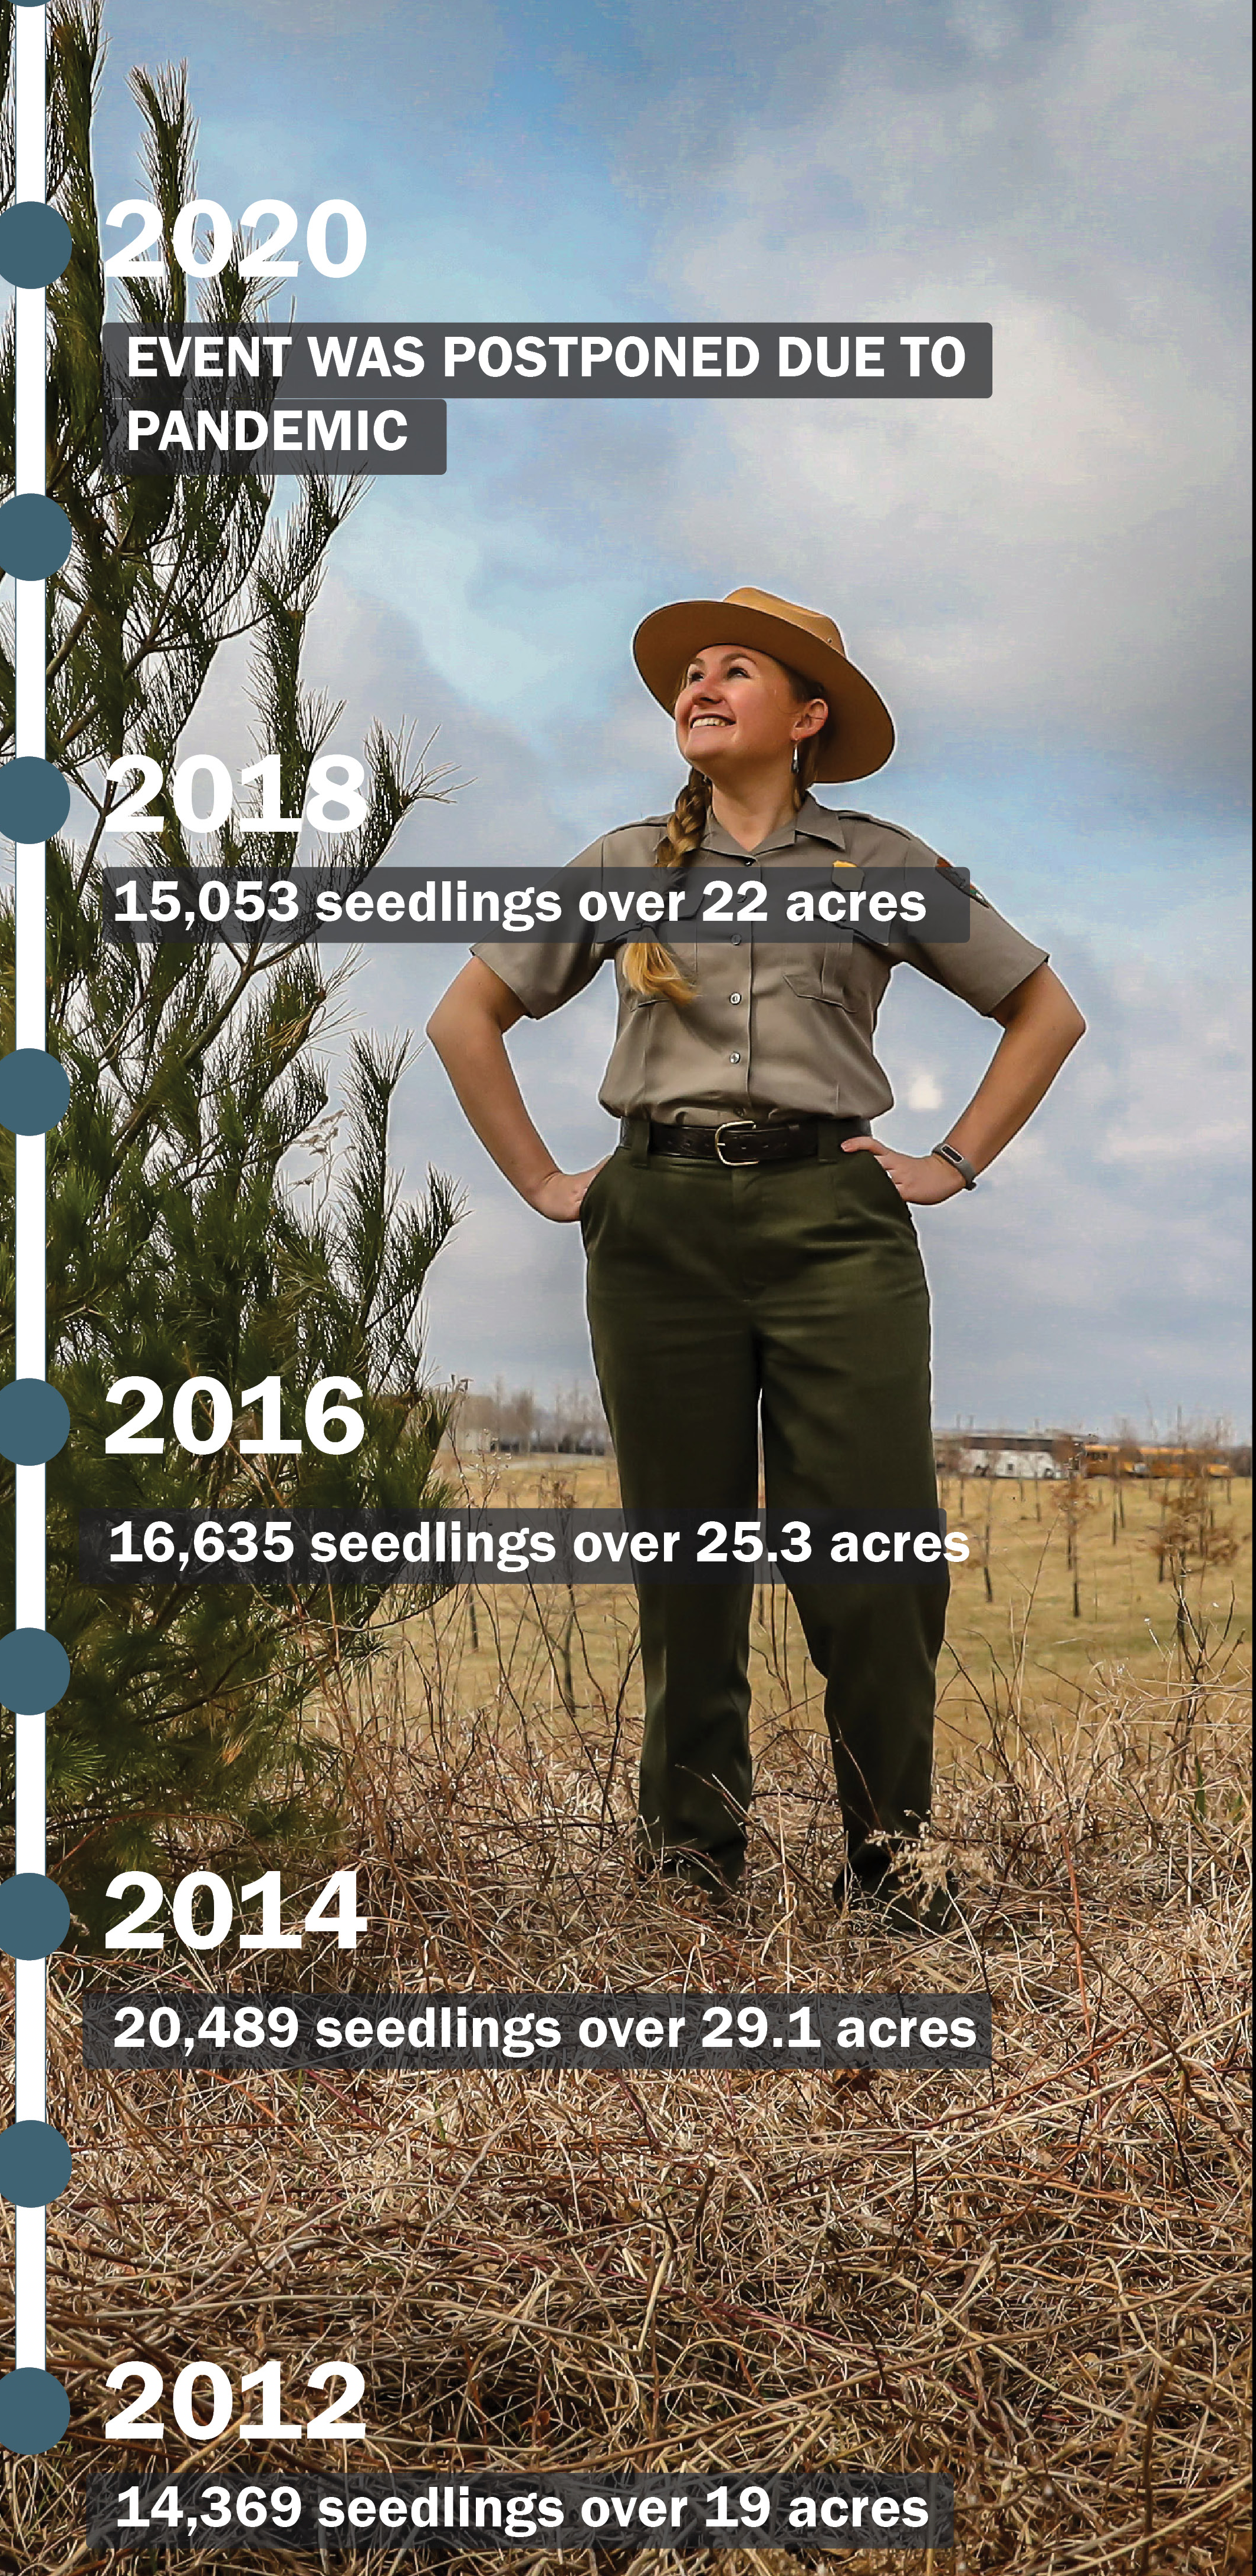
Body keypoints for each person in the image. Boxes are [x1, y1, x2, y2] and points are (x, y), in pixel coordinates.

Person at [425, 585, 1085, 1930]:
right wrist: (553, 1182)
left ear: (808, 716)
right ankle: (692, 1863)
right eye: (691, 674)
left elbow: (1045, 1010)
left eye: (738, 671)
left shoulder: (884, 863)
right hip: (658, 1229)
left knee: (879, 1556)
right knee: (687, 1558)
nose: (702, 687)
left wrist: (951, 1160)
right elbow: (464, 1018)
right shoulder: (624, 861)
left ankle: (893, 1857)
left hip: (836, 1228)